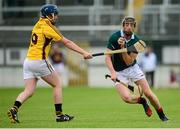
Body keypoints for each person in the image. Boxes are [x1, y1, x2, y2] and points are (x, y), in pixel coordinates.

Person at [7, 4, 92, 123]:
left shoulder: (38, 24)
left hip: (28, 62)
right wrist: (84, 53)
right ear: (50, 15)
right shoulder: (48, 27)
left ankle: (14, 109)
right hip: (39, 61)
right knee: (57, 84)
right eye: (55, 14)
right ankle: (59, 115)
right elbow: (66, 42)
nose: (56, 17)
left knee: (29, 91)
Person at [105, 16, 168, 122]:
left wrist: (123, 48)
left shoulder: (137, 42)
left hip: (133, 68)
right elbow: (107, 56)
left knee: (148, 93)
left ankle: (162, 115)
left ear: (134, 27)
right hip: (119, 71)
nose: (128, 27)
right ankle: (142, 101)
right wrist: (112, 73)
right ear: (123, 26)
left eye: (131, 25)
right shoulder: (114, 37)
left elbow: (129, 61)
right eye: (126, 24)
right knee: (127, 98)